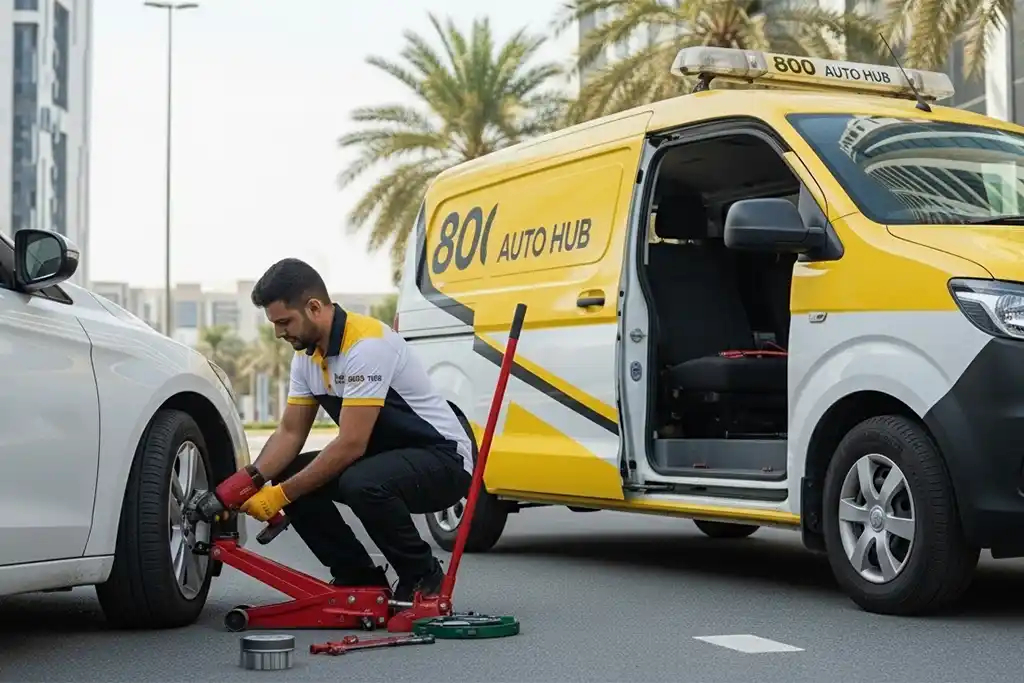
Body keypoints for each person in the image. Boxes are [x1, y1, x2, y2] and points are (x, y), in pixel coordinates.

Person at [235, 257, 474, 601]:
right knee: (291, 471)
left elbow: (350, 445)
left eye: (285, 321)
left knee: (358, 482)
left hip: (443, 460)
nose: (279, 333)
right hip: (386, 457)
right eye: (274, 324)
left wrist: (282, 496)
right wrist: (247, 483)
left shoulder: (366, 345)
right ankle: (359, 580)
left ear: (314, 307)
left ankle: (423, 577)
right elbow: (290, 433)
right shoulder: (306, 357)